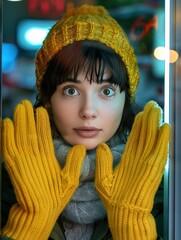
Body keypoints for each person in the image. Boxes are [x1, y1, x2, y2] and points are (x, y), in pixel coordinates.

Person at [1, 4, 170, 240]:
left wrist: (133, 226)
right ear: (48, 99)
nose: (88, 111)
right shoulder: (8, 182)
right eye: (71, 91)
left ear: (126, 100)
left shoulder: (162, 190)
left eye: (107, 91)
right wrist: (29, 224)